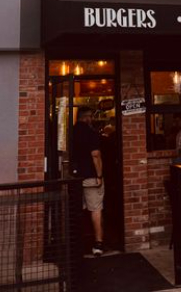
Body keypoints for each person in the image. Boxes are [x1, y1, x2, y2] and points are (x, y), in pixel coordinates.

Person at [72, 107, 104, 256]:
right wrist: (100, 175)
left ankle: (77, 243)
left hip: (75, 177)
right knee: (95, 209)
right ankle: (98, 243)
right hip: (91, 176)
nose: (92, 119)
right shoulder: (91, 133)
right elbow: (96, 154)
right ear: (87, 117)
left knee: (79, 209)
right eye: (91, 116)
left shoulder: (71, 132)